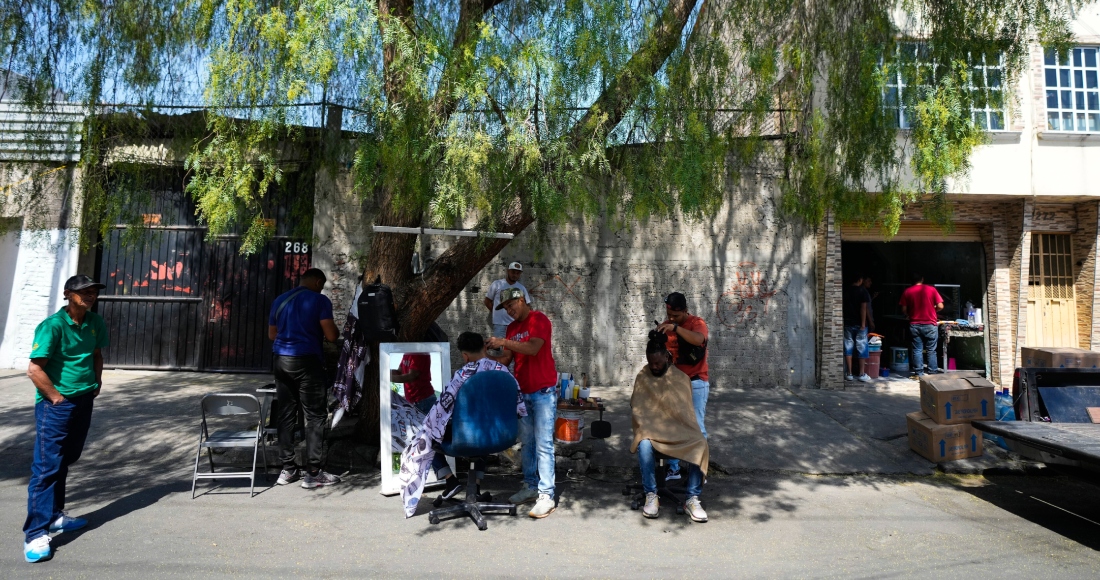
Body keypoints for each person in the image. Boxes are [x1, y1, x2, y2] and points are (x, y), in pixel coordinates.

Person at [23, 275, 109, 563]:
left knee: (66, 458)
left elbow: (96, 355)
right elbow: (35, 370)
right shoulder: (52, 326)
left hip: (84, 400)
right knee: (47, 467)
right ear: (68, 294)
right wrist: (56, 398)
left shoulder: (95, 323)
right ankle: (36, 533)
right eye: (84, 291)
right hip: (56, 405)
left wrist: (96, 382)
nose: (90, 295)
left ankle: (56, 515)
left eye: (94, 292)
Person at [397, 332, 526, 517]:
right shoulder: (504, 372)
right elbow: (520, 409)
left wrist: (430, 426)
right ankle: (477, 488)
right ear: (484, 348)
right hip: (501, 435)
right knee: (480, 432)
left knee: (427, 433)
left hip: (468, 438)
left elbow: (440, 409)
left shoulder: (463, 375)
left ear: (465, 356)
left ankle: (450, 480)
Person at [485, 287, 558, 518]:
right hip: (523, 393)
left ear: (521, 299)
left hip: (543, 392)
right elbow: (507, 360)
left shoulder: (539, 319)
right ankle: (530, 486)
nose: (509, 310)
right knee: (527, 443)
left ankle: (546, 495)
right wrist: (482, 355)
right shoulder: (512, 328)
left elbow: (533, 348)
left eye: (510, 305)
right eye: (505, 308)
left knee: (544, 444)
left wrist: (504, 341)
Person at [268, 268, 342, 489]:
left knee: (286, 414)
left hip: (281, 361)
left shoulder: (280, 300)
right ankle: (313, 472)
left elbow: (272, 335)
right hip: (307, 362)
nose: (322, 288)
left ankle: (288, 470)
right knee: (315, 416)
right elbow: (331, 335)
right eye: (322, 284)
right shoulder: (320, 301)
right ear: (318, 281)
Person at [631, 332, 709, 522]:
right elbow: (637, 407)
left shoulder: (681, 378)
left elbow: (685, 413)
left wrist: (676, 427)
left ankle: (692, 498)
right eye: (651, 363)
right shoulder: (643, 376)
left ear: (667, 357)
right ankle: (651, 495)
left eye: (658, 363)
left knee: (700, 443)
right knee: (644, 443)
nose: (655, 367)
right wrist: (649, 425)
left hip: (678, 431)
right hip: (652, 430)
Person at [654, 292, 709, 482]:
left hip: (696, 382)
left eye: (676, 316)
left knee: (697, 427)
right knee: (673, 426)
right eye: (669, 315)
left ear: (685, 311)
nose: (671, 319)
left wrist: (676, 328)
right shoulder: (666, 325)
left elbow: (698, 340)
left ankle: (699, 470)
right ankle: (674, 468)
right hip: (675, 382)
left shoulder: (696, 323)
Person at [899, 273, 944, 379]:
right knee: (931, 350)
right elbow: (941, 306)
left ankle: (919, 374)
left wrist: (909, 314)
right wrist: (933, 310)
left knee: (917, 349)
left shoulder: (907, 291)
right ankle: (932, 373)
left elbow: (904, 310)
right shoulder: (931, 289)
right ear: (922, 279)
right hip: (930, 324)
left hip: (915, 324)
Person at [483, 262, 531, 352]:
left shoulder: (521, 288)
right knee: (498, 351)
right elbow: (487, 301)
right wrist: (497, 313)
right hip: (499, 324)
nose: (515, 275)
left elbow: (527, 305)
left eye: (518, 273)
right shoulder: (497, 284)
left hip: (515, 325)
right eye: (513, 272)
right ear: (508, 271)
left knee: (514, 350)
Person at [843, 273, 872, 382]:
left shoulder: (845, 290)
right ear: (860, 280)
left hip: (847, 323)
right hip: (859, 325)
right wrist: (863, 324)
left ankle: (849, 373)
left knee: (848, 347)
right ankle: (861, 374)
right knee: (862, 348)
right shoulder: (862, 291)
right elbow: (863, 308)